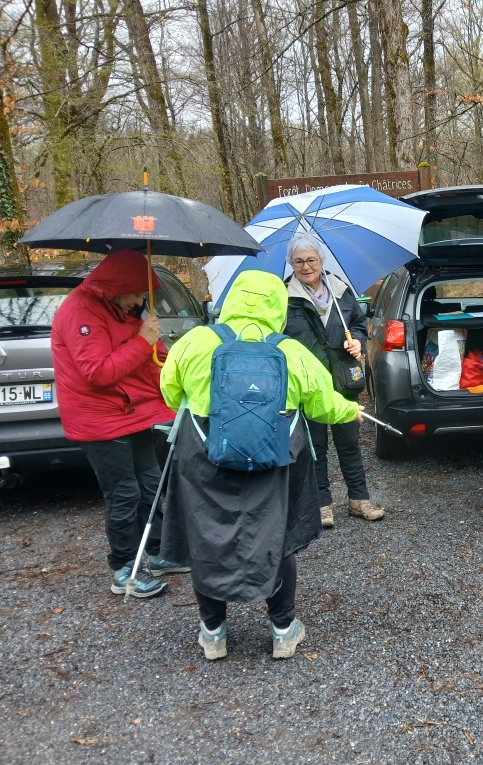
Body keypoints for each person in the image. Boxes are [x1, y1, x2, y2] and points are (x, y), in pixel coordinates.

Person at [159, 271, 361, 661]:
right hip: (273, 458)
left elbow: (170, 391)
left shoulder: (197, 341)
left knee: (206, 537)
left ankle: (213, 633)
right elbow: (323, 403)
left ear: (232, 299)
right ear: (275, 305)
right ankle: (283, 631)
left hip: (204, 456)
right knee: (276, 535)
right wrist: (351, 410)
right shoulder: (290, 350)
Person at [50, 250, 189, 599]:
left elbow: (145, 356)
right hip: (100, 418)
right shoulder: (81, 310)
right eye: (139, 292)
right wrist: (143, 340)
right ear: (118, 286)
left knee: (151, 484)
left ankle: (155, 551)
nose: (142, 299)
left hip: (135, 411)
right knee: (124, 493)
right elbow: (98, 372)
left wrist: (162, 352)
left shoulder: (119, 308)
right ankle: (124, 567)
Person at [282, 233, 383, 527]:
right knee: (316, 447)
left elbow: (358, 325)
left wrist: (358, 343)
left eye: (311, 260)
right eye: (299, 261)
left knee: (349, 442)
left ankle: (358, 500)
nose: (306, 266)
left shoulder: (340, 290)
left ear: (321, 260)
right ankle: (322, 505)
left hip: (343, 378)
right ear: (291, 263)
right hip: (308, 383)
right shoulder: (284, 296)